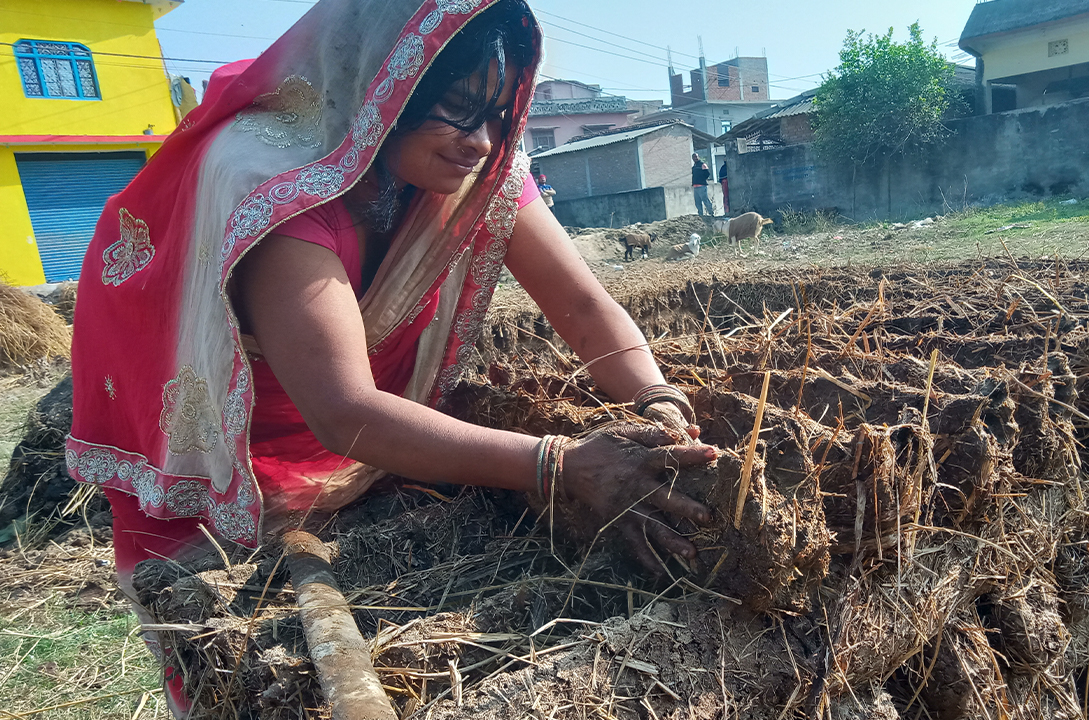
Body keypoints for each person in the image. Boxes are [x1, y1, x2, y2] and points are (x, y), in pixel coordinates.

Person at [69, 0, 714, 712]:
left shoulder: (480, 166)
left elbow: (587, 310)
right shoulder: (271, 181)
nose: (481, 140)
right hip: (228, 473)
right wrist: (560, 463)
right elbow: (344, 410)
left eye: (500, 115)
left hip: (378, 456)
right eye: (458, 108)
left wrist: (661, 404)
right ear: (381, 85)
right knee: (250, 679)